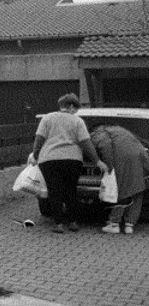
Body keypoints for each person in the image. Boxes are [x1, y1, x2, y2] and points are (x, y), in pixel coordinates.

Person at [28, 93, 108, 233]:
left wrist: (35, 155)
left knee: (54, 191)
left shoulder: (48, 118)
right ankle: (73, 222)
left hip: (49, 160)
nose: (76, 111)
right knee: (71, 190)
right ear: (71, 106)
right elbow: (86, 143)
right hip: (72, 160)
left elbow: (39, 139)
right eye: (75, 108)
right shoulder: (77, 121)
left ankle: (58, 223)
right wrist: (97, 161)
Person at [90, 124, 149, 234]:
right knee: (137, 190)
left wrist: (109, 165)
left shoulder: (100, 132)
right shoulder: (123, 131)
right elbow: (141, 149)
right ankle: (129, 225)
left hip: (121, 160)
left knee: (121, 191)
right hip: (139, 158)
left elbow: (105, 146)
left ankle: (114, 223)